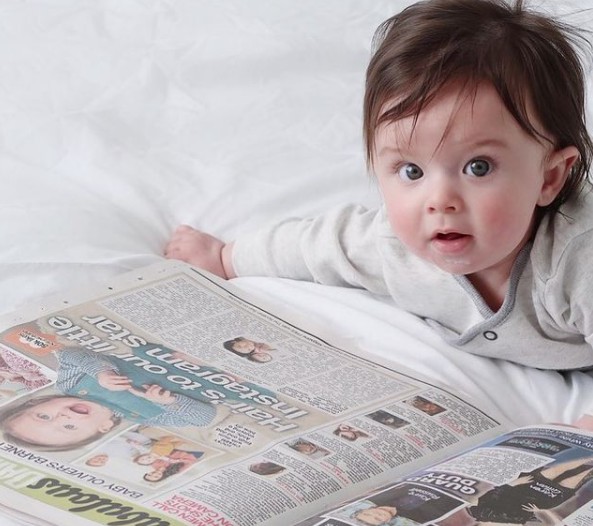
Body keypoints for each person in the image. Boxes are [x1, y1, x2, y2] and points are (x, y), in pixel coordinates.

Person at [165, 0, 593, 425]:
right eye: (411, 170)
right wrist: (225, 258)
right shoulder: (389, 246)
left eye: (477, 167)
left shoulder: (577, 260)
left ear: (549, 178)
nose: (440, 199)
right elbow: (313, 246)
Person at [466, 457, 593, 524]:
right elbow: (555, 524)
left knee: (557, 470)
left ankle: (589, 457)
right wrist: (541, 511)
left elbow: (479, 497)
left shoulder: (478, 513)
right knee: (575, 479)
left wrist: (512, 484)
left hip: (521, 489)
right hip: (541, 502)